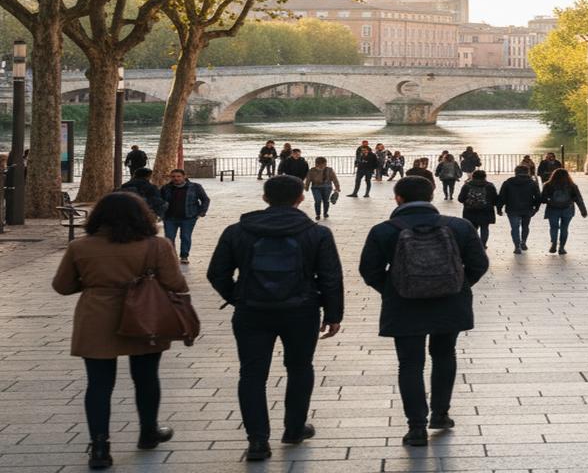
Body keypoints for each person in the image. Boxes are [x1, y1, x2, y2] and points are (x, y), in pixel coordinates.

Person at [206, 175, 345, 462]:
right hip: (301, 310)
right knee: (299, 367)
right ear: (301, 198)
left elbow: (217, 273)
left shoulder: (237, 231)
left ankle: (258, 441)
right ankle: (294, 429)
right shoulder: (316, 233)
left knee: (252, 374)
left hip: (252, 311)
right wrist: (333, 314)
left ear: (265, 198)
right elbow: (330, 277)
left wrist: (237, 296)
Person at [52, 191, 186, 469]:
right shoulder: (157, 246)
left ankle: (100, 447)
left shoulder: (81, 247)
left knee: (99, 384)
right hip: (146, 315)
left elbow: (62, 286)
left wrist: (94, 284)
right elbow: (175, 284)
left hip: (96, 317)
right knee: (147, 377)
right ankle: (148, 431)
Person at [358, 176, 489, 447]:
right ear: (432, 195)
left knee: (410, 363)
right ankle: (440, 414)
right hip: (450, 303)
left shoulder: (383, 230)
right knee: (444, 354)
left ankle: (416, 427)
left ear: (398, 198)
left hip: (404, 306)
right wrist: (457, 284)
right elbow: (479, 264)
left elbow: (368, 271)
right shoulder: (460, 227)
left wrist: (394, 288)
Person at [158, 168, 210, 264]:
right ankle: (171, 256)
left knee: (185, 237)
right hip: (170, 218)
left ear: (184, 177)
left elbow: (205, 199)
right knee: (169, 238)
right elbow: (159, 201)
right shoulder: (166, 188)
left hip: (189, 217)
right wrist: (160, 213)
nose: (176, 178)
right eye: (173, 177)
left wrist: (201, 213)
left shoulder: (195, 187)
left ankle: (184, 256)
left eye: (178, 176)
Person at [540, 168, 587, 255]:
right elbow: (578, 199)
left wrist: (549, 201)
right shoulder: (572, 186)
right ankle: (561, 247)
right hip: (568, 209)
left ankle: (553, 243)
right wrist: (583, 211)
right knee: (564, 228)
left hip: (553, 209)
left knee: (553, 227)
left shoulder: (548, 185)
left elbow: (542, 199)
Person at [497, 165, 541, 254]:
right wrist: (536, 208)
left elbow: (502, 197)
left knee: (514, 228)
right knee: (525, 226)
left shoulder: (508, 182)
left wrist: (499, 208)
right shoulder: (532, 183)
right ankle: (523, 242)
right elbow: (538, 197)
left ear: (516, 172)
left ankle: (517, 246)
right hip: (527, 208)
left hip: (512, 208)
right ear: (527, 172)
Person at [457, 170, 499, 249]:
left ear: (473, 176)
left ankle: (474, 244)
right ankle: (483, 244)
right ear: (485, 176)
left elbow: (460, 199)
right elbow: (495, 200)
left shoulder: (467, 185)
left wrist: (467, 202)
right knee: (484, 228)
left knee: (472, 229)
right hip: (486, 211)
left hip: (470, 211)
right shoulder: (489, 186)